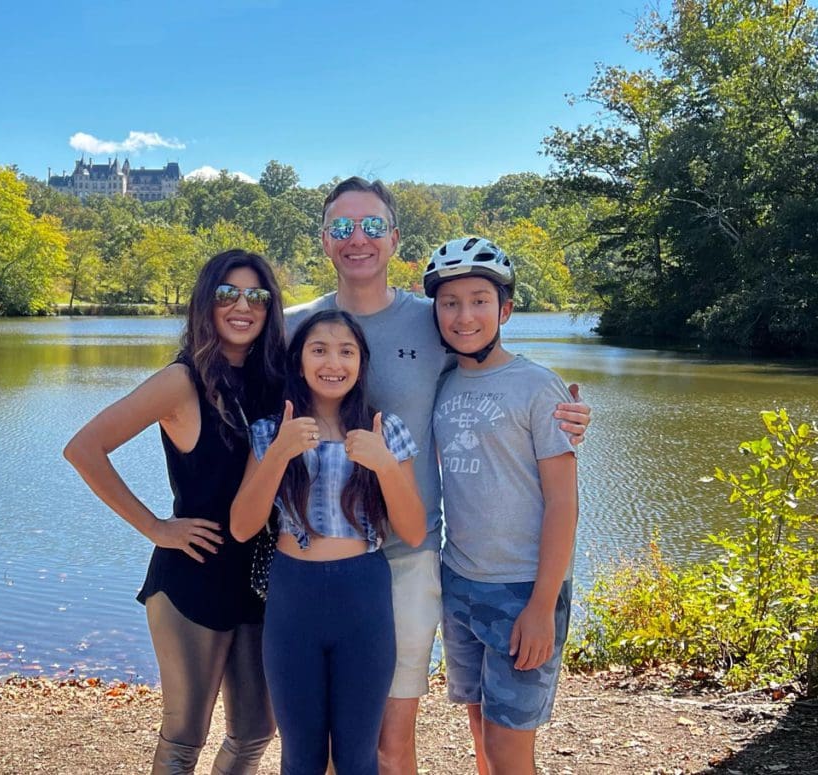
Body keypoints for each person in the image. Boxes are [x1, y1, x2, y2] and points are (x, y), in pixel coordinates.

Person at [283, 177, 591, 775]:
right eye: (341, 227)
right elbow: (230, 387)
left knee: (390, 747)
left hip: (409, 556)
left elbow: (503, 375)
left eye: (372, 226)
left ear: (394, 237)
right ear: (323, 240)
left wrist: (569, 416)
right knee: (321, 749)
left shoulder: (434, 319)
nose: (358, 240)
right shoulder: (297, 325)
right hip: (321, 563)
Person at [63, 249, 284, 774]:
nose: (242, 306)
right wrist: (155, 527)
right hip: (192, 577)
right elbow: (84, 448)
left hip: (258, 580)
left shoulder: (272, 382)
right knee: (185, 735)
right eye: (227, 294)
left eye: (257, 296)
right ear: (205, 303)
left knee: (255, 731)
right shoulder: (181, 381)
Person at [230, 309, 426, 775]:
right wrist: (279, 452)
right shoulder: (268, 430)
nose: (332, 362)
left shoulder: (385, 430)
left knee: (359, 757)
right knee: (301, 757)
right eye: (319, 350)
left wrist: (382, 464)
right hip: (293, 596)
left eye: (346, 351)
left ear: (361, 363)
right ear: (299, 361)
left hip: (363, 596)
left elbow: (415, 530)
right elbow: (241, 526)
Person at [424, 236, 578, 775]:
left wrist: (541, 607)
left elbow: (563, 503)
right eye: (450, 302)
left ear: (505, 309)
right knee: (481, 733)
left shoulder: (537, 386)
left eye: (479, 300)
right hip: (460, 581)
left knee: (512, 751)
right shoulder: (440, 384)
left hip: (523, 589)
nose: (464, 315)